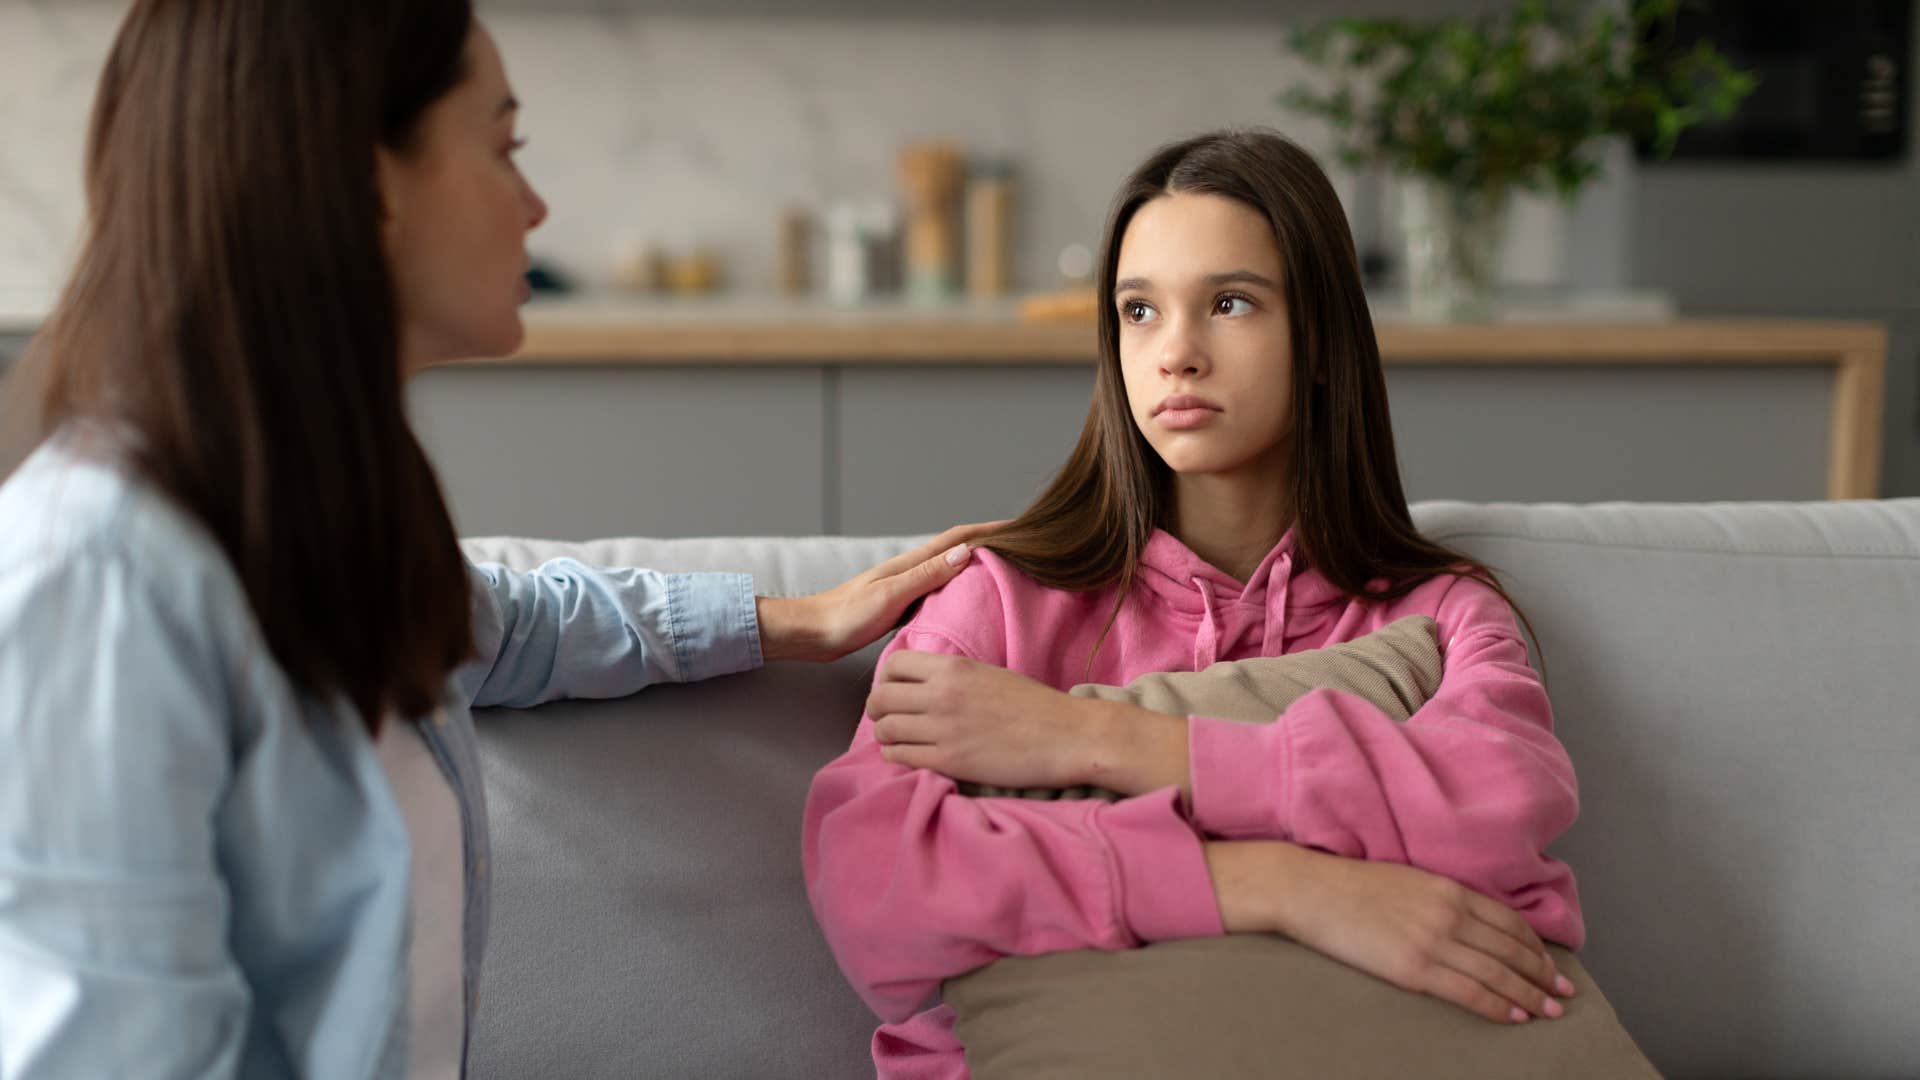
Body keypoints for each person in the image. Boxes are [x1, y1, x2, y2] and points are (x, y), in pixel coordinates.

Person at [0, 2, 995, 1075]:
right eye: (502, 147)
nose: (535, 204)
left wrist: (790, 622)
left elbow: (505, 626)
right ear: (369, 177)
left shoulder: (317, 531)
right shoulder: (103, 576)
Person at [802, 129, 1585, 1077]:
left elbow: (1499, 808)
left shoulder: (1441, 614)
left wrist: (1097, 742)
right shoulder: (1000, 600)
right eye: (1139, 311)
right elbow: (874, 883)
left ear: (1325, 341)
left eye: (1229, 302)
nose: (1175, 353)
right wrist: (1280, 885)